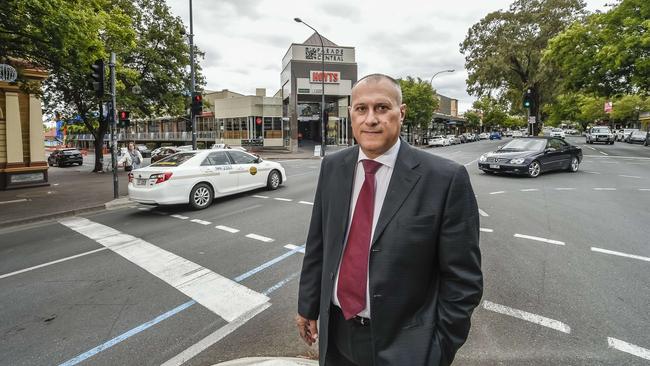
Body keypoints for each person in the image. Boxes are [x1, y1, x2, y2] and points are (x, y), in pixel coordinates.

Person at [296, 74, 483, 366]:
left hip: (406, 346)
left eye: (382, 108)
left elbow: (463, 280)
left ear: (402, 113)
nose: (370, 119)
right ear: (351, 114)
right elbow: (318, 244)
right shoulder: (333, 166)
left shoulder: (445, 179)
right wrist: (307, 306)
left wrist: (439, 349)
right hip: (337, 337)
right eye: (361, 109)